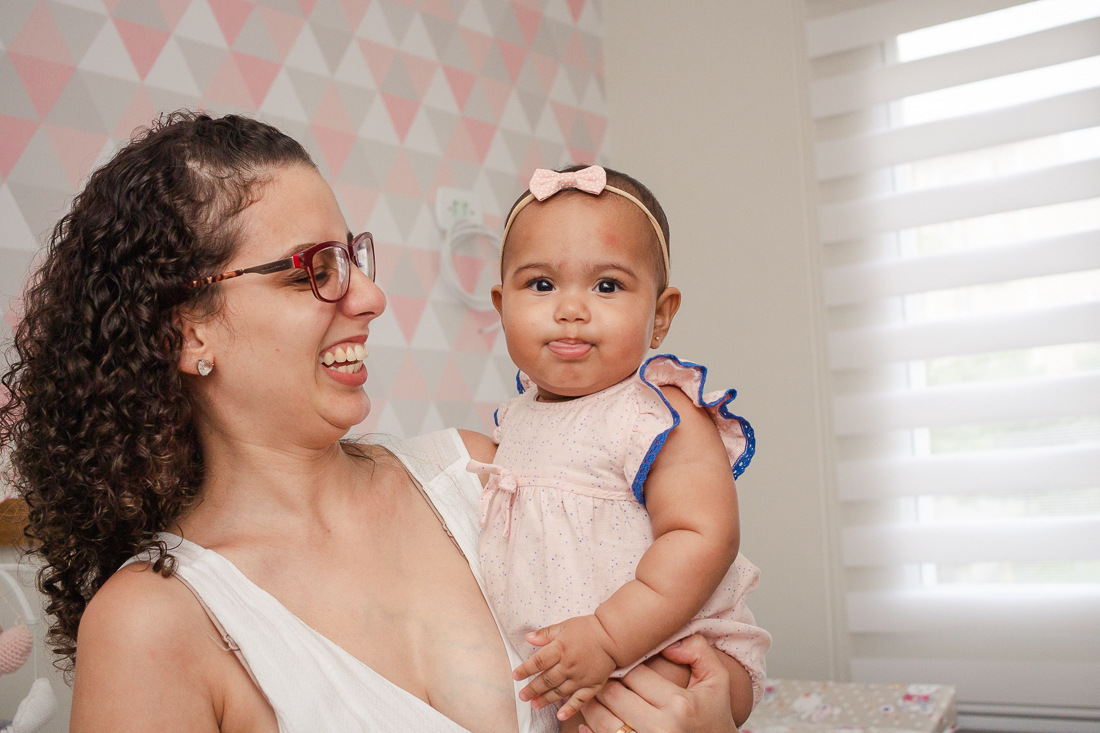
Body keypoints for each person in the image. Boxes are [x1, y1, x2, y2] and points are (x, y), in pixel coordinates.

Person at [0, 112, 751, 733]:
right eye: (313, 268)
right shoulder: (151, 625)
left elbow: (696, 629)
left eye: (352, 256)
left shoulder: (487, 477)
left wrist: (710, 719)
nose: (370, 296)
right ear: (187, 330)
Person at [471, 165, 771, 729]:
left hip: (670, 646)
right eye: (541, 285)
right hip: (565, 667)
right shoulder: (515, 421)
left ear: (660, 315)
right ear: (501, 303)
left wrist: (609, 638)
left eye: (606, 286)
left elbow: (703, 536)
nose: (571, 309)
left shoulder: (657, 413)